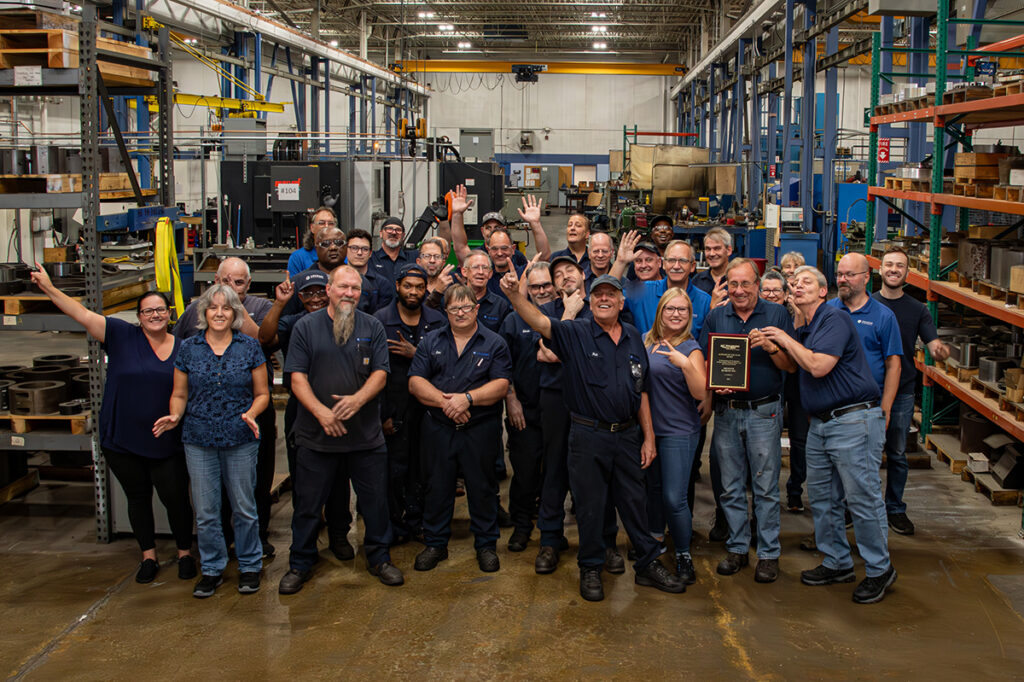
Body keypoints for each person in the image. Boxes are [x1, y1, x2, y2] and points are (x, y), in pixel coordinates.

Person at [501, 268, 684, 602]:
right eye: (598, 294)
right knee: (589, 506)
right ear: (590, 299)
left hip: (627, 435)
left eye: (610, 294)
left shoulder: (632, 335)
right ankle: (590, 567)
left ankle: (647, 564)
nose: (604, 299)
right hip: (588, 437)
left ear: (620, 300)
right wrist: (515, 295)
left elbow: (640, 390)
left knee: (634, 504)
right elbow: (540, 324)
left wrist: (649, 437)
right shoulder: (576, 332)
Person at [31, 272, 195, 584]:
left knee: (175, 498)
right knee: (137, 496)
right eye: (148, 311)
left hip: (167, 439)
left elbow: (183, 392)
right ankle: (148, 556)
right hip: (122, 438)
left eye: (161, 310)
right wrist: (50, 288)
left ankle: (185, 553)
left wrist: (176, 417)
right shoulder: (120, 334)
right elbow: (80, 313)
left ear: (170, 314)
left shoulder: (183, 348)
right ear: (139, 316)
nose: (156, 315)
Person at [761, 266, 896, 605]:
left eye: (806, 282)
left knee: (862, 499)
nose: (797, 286)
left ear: (824, 291)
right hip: (821, 423)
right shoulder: (803, 327)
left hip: (852, 421)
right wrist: (775, 344)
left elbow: (819, 366)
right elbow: (793, 366)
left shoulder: (833, 320)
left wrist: (783, 338)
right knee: (823, 498)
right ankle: (837, 561)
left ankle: (880, 569)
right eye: (794, 283)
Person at [278, 265, 402, 593]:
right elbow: (296, 377)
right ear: (329, 289)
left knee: (375, 503)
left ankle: (380, 558)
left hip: (365, 437)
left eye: (355, 288)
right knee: (306, 506)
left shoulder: (372, 326)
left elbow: (380, 373)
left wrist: (358, 401)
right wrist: (321, 412)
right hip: (317, 436)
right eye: (343, 287)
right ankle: (300, 563)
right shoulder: (306, 327)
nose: (349, 293)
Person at [154, 284, 269, 598]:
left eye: (227, 308)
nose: (220, 313)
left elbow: (263, 394)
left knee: (244, 508)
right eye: (213, 307)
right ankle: (213, 568)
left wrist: (251, 414)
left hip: (241, 439)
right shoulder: (189, 348)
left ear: (235, 313)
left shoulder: (249, 347)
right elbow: (180, 393)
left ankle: (249, 565)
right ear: (204, 312)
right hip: (198, 439)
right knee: (206, 511)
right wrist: (175, 416)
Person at [700, 258, 796, 583]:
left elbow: (790, 367)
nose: (739, 291)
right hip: (727, 413)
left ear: (758, 285)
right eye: (733, 285)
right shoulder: (716, 316)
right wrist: (714, 386)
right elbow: (705, 362)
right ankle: (738, 547)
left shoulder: (778, 315)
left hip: (764, 412)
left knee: (765, 486)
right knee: (729, 486)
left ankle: (768, 554)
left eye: (746, 284)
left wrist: (770, 347)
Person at [174, 257, 277, 558]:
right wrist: (176, 411)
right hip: (201, 427)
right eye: (224, 281)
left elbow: (263, 346)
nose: (231, 288)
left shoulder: (256, 322)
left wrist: (234, 306)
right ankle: (213, 562)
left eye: (239, 282)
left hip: (246, 422)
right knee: (207, 505)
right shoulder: (193, 329)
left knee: (250, 495)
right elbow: (178, 367)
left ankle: (251, 554)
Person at [408, 284, 512, 573]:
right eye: (454, 308)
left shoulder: (494, 343)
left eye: (466, 307)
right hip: (439, 429)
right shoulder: (430, 341)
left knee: (482, 487)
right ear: (446, 312)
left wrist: (468, 399)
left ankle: (486, 545)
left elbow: (501, 385)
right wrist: (447, 404)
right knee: (437, 487)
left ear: (476, 308)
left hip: (479, 429)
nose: (461, 313)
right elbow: (415, 382)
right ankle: (436, 544)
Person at [533, 255, 625, 576]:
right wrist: (569, 314)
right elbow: (544, 353)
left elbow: (605, 357)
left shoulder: (599, 309)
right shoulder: (547, 312)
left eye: (569, 271)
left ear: (582, 274)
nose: (563, 277)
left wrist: (567, 346)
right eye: (557, 275)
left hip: (593, 405)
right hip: (556, 401)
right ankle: (549, 539)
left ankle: (606, 541)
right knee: (554, 469)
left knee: (600, 475)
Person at [873, 246, 950, 535]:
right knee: (862, 454)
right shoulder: (867, 304)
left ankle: (894, 508)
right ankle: (856, 507)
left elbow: (933, 344)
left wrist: (940, 351)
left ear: (908, 272)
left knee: (896, 453)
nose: (894, 269)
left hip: (903, 391)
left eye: (900, 266)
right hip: (869, 391)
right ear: (879, 269)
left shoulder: (917, 309)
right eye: (889, 264)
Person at [374, 263, 448, 544]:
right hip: (395, 411)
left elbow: (445, 366)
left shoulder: (437, 320)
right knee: (394, 472)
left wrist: (415, 354)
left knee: (425, 470)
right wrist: (382, 415)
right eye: (408, 286)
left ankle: (418, 522)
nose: (414, 292)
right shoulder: (380, 321)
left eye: (419, 287)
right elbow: (374, 374)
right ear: (397, 287)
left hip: (429, 412)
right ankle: (394, 524)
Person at [644, 287, 706, 585]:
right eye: (671, 308)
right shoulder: (648, 341)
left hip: (679, 432)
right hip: (650, 431)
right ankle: (655, 542)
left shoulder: (691, 348)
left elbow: (699, 392)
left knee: (674, 498)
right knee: (653, 492)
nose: (676, 314)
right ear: (661, 312)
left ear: (690, 315)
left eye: (682, 309)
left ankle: (683, 553)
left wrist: (684, 365)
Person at [500, 260, 557, 552]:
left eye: (547, 284)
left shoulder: (565, 316)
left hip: (559, 413)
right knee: (524, 473)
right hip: (525, 411)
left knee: (555, 475)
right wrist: (511, 401)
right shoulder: (513, 320)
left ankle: (550, 529)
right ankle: (521, 525)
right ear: (528, 289)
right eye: (535, 286)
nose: (542, 290)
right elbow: (503, 366)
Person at [257, 270, 330, 476]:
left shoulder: (343, 321)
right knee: (301, 469)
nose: (315, 299)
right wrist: (279, 304)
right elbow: (265, 338)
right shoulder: (292, 322)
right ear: (300, 297)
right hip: (300, 405)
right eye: (308, 294)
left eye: (320, 292)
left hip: (334, 403)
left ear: (330, 292)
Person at [760, 271, 808, 513]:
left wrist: (796, 309)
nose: (770, 295)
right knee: (769, 439)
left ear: (786, 293)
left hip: (796, 383)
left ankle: (795, 489)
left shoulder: (795, 314)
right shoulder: (758, 314)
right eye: (765, 291)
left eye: (776, 291)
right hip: (772, 384)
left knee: (800, 439)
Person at [612, 232, 711, 337]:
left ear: (692, 266)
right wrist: (620, 262)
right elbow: (608, 296)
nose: (676, 266)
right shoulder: (643, 291)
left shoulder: (704, 301)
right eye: (671, 260)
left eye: (682, 261)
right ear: (664, 264)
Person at [449, 184, 551, 270]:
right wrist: (457, 214)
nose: (492, 231)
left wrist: (535, 223)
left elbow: (544, 257)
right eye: (488, 227)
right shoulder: (477, 256)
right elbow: (460, 247)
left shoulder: (517, 257)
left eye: (497, 227)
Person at [460, 250, 511, 333]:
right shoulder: (453, 301)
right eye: (475, 267)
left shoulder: (500, 305)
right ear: (464, 272)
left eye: (485, 268)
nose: (480, 272)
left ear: (490, 274)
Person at [346, 228, 390, 314]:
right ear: (345, 250)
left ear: (370, 253)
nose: (359, 253)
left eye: (365, 249)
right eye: (354, 248)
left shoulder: (383, 284)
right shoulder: (336, 279)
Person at [287, 206, 337, 276]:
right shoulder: (298, 258)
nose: (326, 226)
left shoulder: (343, 256)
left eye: (331, 223)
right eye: (321, 223)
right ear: (312, 228)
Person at [369, 217, 418, 284]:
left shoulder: (414, 257)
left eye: (398, 230)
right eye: (389, 229)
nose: (394, 233)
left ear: (403, 236)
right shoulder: (371, 258)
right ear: (381, 234)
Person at [693, 227, 733, 308]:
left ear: (728, 250)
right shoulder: (697, 281)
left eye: (717, 248)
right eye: (708, 249)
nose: (711, 254)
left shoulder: (739, 279)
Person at [419, 237, 456, 310]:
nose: (432, 260)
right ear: (418, 261)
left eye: (437, 256)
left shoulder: (453, 284)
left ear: (443, 262)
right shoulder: (411, 284)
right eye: (427, 256)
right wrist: (438, 291)